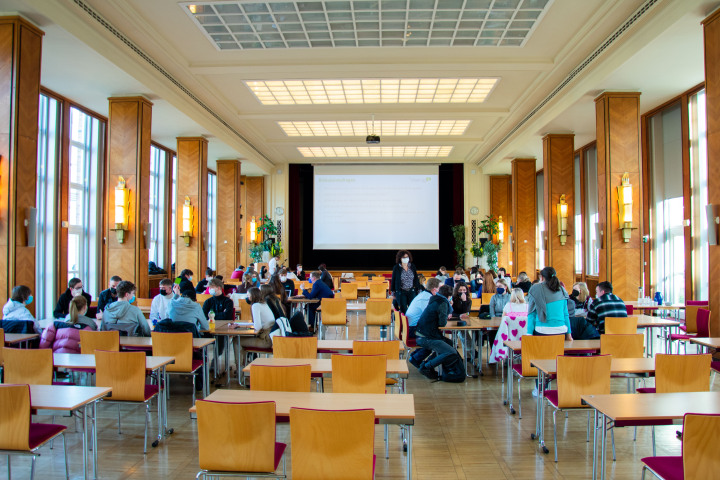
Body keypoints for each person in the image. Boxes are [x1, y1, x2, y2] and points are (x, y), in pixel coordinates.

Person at [415, 285, 456, 379]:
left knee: (450, 343)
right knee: (451, 351)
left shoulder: (434, 299)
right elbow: (442, 323)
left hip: (421, 334)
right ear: (449, 297)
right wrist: (447, 312)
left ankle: (425, 364)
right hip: (427, 337)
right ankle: (426, 367)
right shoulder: (443, 303)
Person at [526, 267, 572, 340]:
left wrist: (529, 333)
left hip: (542, 330)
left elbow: (531, 313)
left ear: (542, 277)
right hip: (561, 330)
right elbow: (566, 314)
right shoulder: (562, 290)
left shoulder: (536, 288)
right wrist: (569, 334)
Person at [405, 277, 442, 367]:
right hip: (412, 329)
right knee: (437, 340)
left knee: (436, 336)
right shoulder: (427, 299)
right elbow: (431, 316)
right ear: (434, 289)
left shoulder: (424, 295)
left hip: (411, 327)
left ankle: (416, 357)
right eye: (440, 288)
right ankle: (418, 359)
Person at [237, 287, 275, 368]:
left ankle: (239, 367)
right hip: (270, 337)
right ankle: (244, 363)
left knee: (237, 340)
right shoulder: (264, 303)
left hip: (265, 340)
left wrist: (244, 326)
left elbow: (257, 327)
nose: (247, 298)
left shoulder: (256, 306)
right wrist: (242, 325)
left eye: (248, 296)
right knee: (242, 338)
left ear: (253, 296)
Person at [391, 250, 420, 314]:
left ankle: (411, 322)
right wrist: (393, 293)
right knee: (404, 309)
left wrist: (418, 289)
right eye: (404, 257)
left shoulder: (412, 266)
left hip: (411, 291)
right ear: (400, 258)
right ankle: (405, 323)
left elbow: (416, 278)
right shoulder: (396, 268)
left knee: (412, 308)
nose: (405, 259)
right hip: (401, 292)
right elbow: (393, 280)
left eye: (407, 257)